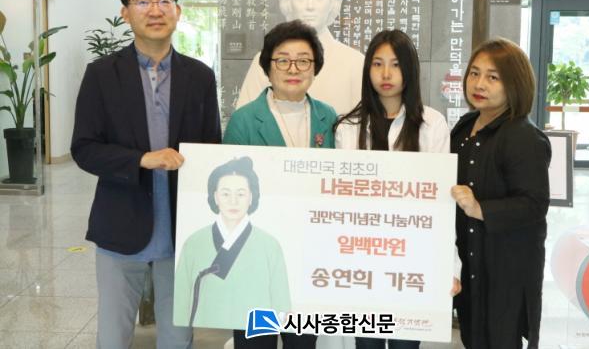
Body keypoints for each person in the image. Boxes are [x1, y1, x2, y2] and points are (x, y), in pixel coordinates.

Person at [71, 0, 221, 349]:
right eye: (143, 2)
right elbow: (84, 148)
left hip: (181, 228)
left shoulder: (200, 77)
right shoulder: (102, 74)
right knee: (113, 335)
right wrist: (141, 159)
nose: (155, 10)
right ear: (126, 13)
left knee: (178, 335)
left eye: (164, 1)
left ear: (178, 11)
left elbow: (211, 149)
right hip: (120, 222)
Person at [334, 30, 461, 349]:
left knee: (406, 343)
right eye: (377, 64)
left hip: (413, 257)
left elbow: (441, 206)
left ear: (409, 70)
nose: (386, 74)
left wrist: (450, 266)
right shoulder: (348, 127)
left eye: (395, 64)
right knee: (367, 344)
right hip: (362, 257)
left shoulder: (432, 124)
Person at [224, 20, 336, 348]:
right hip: (255, 259)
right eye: (283, 60)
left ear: (315, 67)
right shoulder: (244, 120)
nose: (293, 69)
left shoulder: (329, 118)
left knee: (302, 343)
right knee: (255, 342)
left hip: (308, 259)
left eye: (303, 60)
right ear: (268, 66)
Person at [450, 38, 551, 348]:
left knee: (500, 338)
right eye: (474, 73)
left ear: (514, 84)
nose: (479, 84)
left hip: (506, 268)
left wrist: (480, 209)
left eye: (493, 77)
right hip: (470, 260)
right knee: (472, 335)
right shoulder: (465, 127)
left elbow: (534, 204)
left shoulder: (524, 136)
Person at [236, 0, 364, 115]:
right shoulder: (265, 61)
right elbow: (246, 121)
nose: (310, 6)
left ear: (332, 2)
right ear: (288, 2)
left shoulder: (355, 63)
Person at [174, 156, 290, 329]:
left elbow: (282, 306)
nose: (233, 201)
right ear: (215, 196)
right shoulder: (194, 243)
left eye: (241, 194)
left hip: (257, 330)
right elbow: (181, 302)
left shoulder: (270, 246)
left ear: (251, 197)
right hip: (204, 330)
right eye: (225, 193)